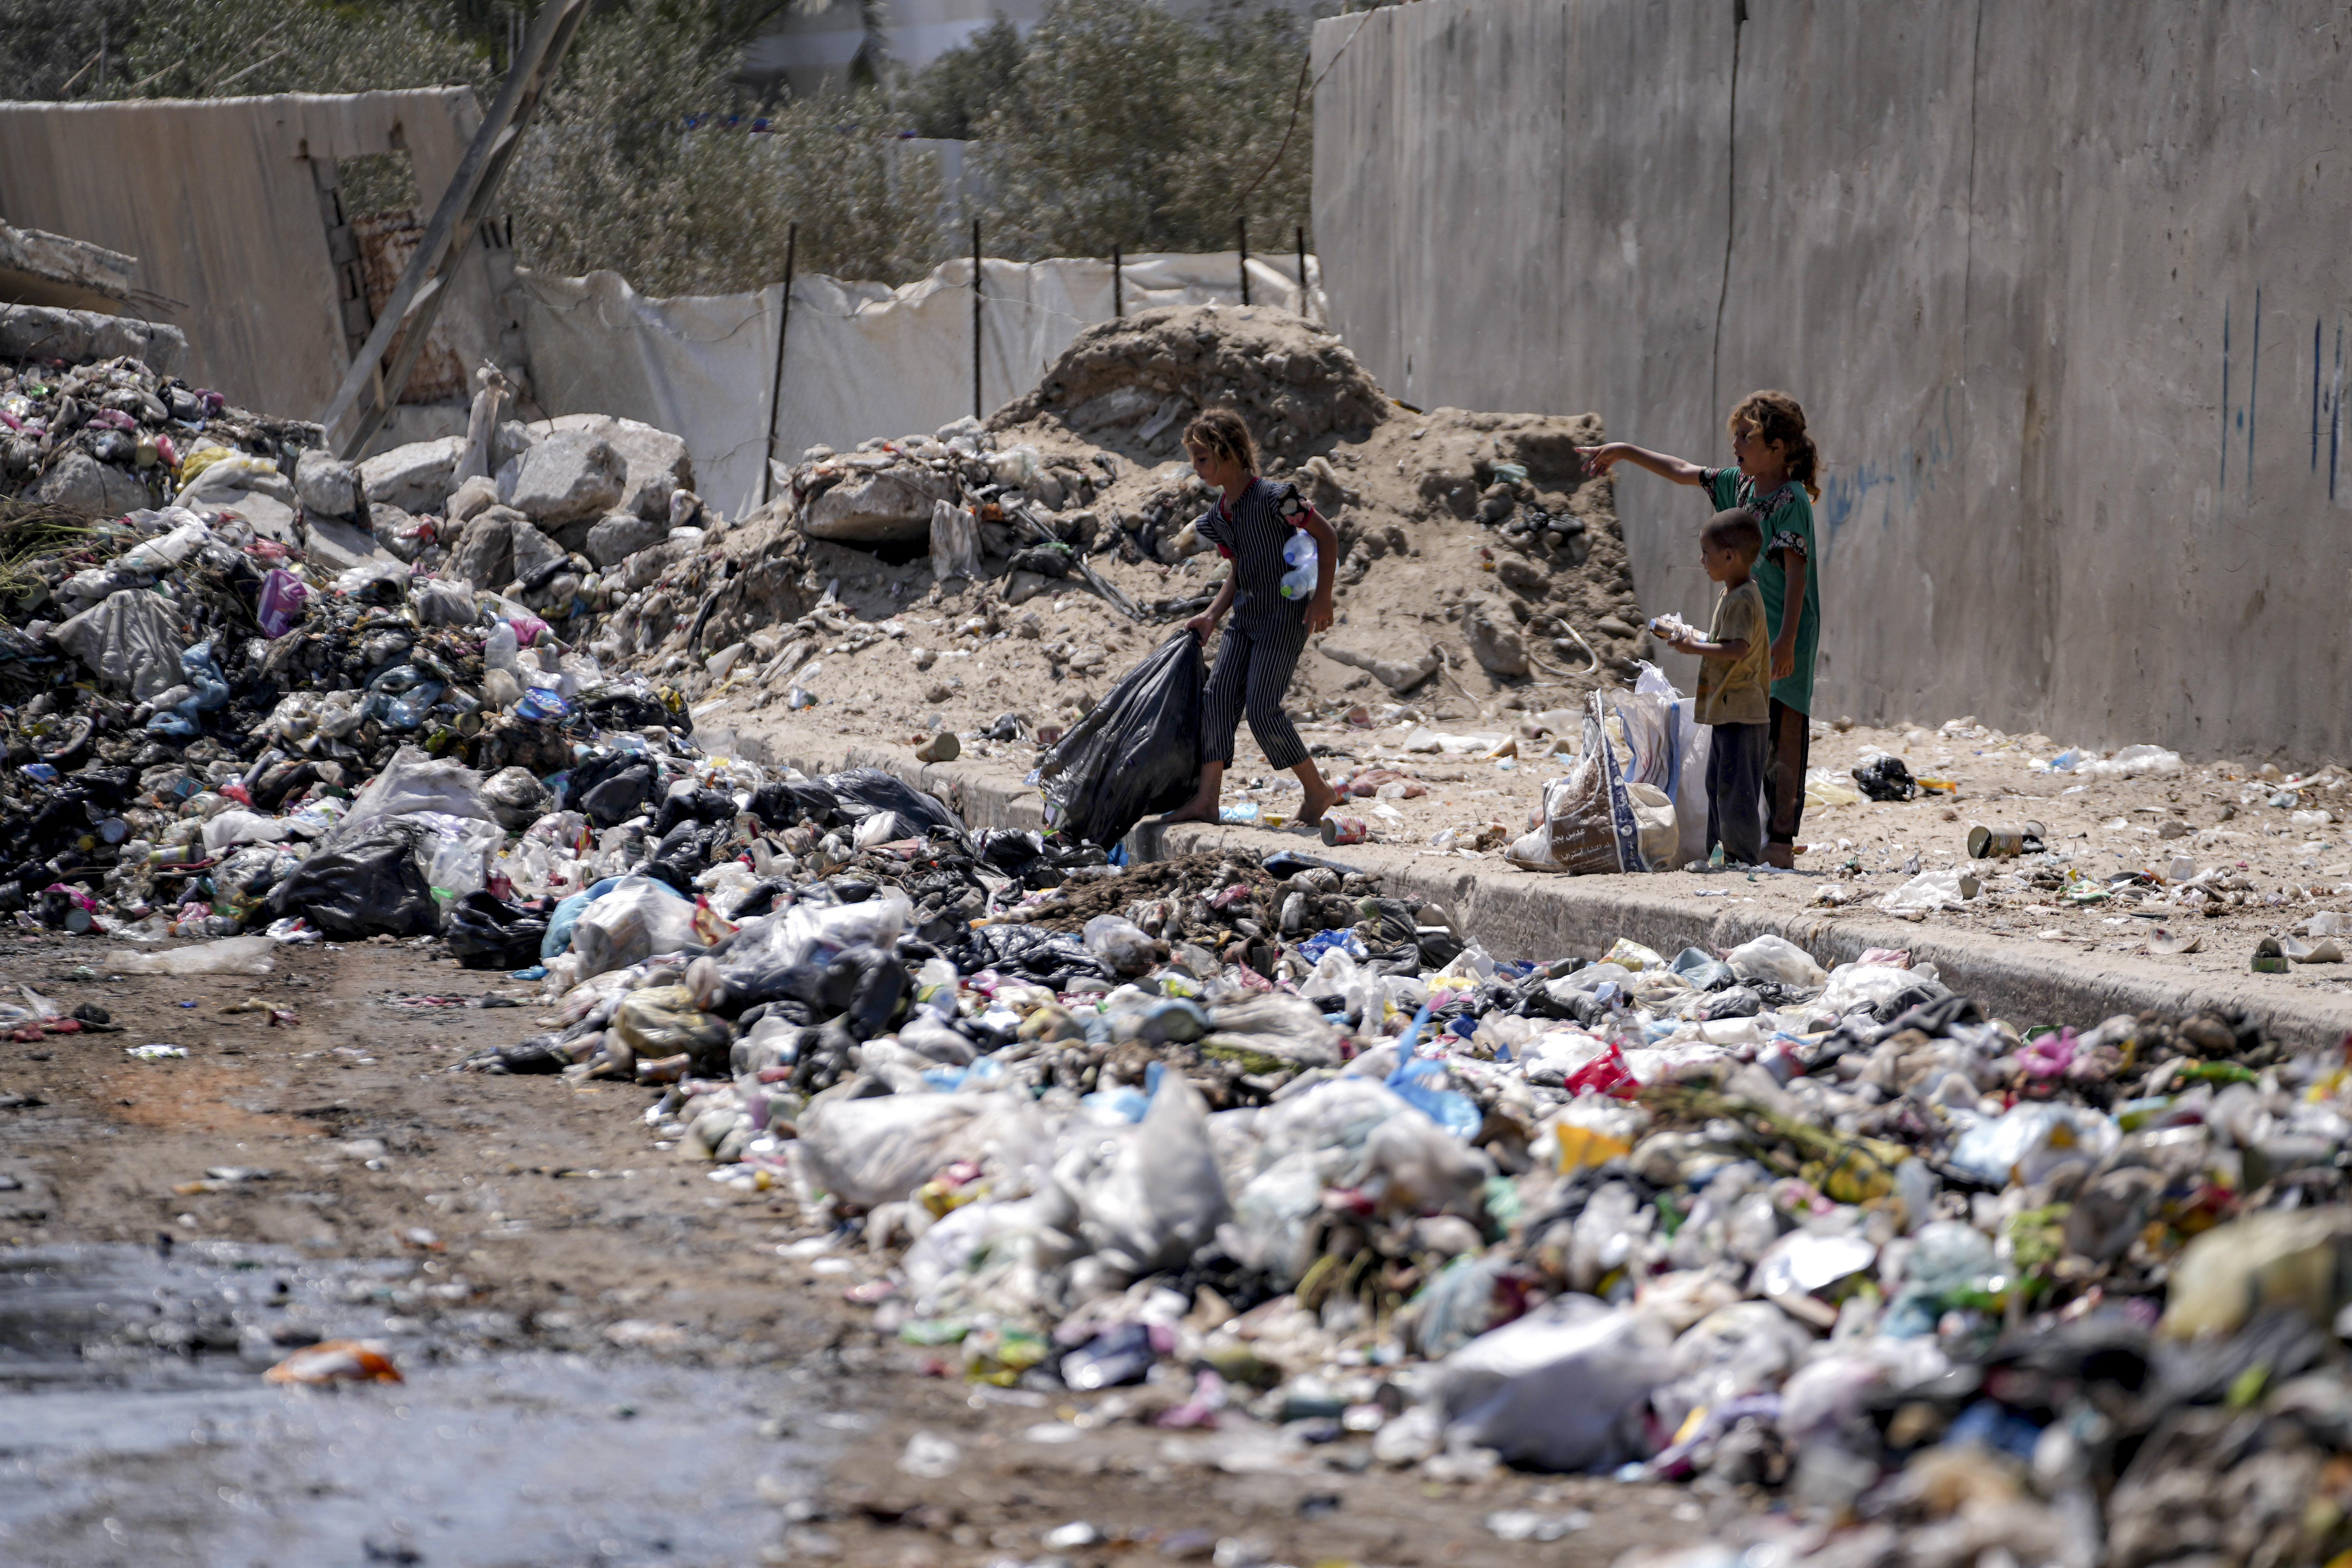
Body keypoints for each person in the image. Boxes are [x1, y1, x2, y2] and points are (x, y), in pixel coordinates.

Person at [1579, 390, 1822, 867]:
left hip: (1784, 629)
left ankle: (1779, 839)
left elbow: (1797, 575)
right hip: (1745, 625)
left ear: (1776, 448)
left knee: (1784, 728)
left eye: (1746, 437)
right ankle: (1738, 838)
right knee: (1746, 728)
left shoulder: (1790, 499)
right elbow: (1681, 470)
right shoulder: (1740, 486)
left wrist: (1787, 640)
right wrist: (1624, 451)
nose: (1735, 444)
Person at [1160, 408, 1342, 827]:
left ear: (1229, 453)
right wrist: (1211, 615)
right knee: (1216, 699)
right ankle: (1207, 801)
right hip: (1245, 619)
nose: (1195, 468)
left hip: (1284, 617)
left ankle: (1317, 790)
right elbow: (1238, 570)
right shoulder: (1218, 516)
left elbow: (1327, 536)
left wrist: (1323, 597)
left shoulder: (1278, 498)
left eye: (1202, 458)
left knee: (1261, 709)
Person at [1653, 509, 1770, 866]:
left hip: (1742, 713)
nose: (1701, 560)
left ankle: (1740, 858)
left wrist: (1693, 648)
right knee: (1717, 785)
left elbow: (1736, 649)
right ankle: (1718, 855)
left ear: (1729, 557)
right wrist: (1690, 636)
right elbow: (1724, 641)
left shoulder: (1743, 599)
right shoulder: (1731, 594)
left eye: (1706, 553)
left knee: (1737, 791)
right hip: (1727, 711)